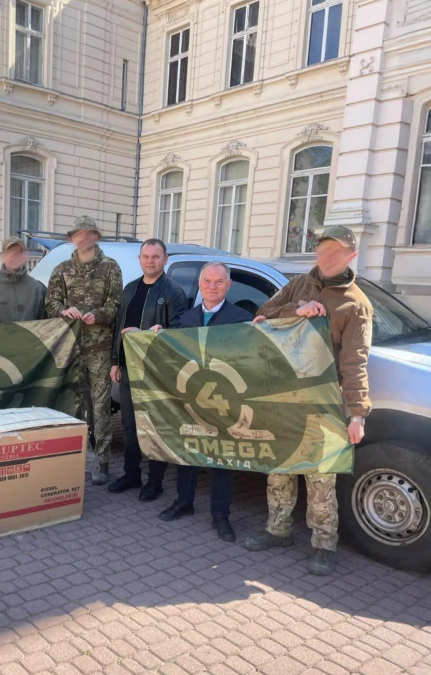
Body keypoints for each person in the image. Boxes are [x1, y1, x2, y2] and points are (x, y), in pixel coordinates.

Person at [245, 225, 373, 575]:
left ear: (351, 255)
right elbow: (261, 317)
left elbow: (355, 361)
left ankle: (323, 544)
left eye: (336, 251)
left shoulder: (356, 304)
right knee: (279, 468)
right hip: (282, 396)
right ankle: (278, 529)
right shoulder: (299, 284)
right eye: (322, 250)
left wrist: (357, 414)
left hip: (324, 403)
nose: (327, 257)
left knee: (321, 479)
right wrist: (297, 309)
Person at [157, 262, 252, 541]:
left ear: (228, 285)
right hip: (192, 398)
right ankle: (184, 502)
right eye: (207, 281)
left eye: (219, 282)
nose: (212, 286)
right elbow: (173, 354)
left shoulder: (241, 318)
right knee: (189, 451)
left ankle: (220, 515)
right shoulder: (186, 319)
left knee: (222, 457)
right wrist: (153, 335)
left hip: (225, 399)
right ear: (200, 284)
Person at [45, 216, 122, 485]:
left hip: (99, 348)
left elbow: (115, 305)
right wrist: (64, 311)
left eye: (87, 233)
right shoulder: (62, 269)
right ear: (72, 238)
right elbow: (51, 303)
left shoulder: (111, 267)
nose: (82, 238)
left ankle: (101, 461)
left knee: (101, 406)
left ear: (95, 237)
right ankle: (72, 457)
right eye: (78, 233)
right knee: (72, 402)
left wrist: (97, 315)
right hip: (71, 348)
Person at [108, 239, 187, 501]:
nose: (150, 261)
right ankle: (132, 474)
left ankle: (155, 481)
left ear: (165, 260)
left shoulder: (173, 291)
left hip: (156, 372)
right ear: (140, 259)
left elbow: (179, 333)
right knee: (130, 425)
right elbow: (119, 327)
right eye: (146, 256)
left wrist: (152, 334)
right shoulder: (130, 289)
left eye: (156, 257)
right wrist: (115, 361)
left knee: (155, 427)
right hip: (129, 367)